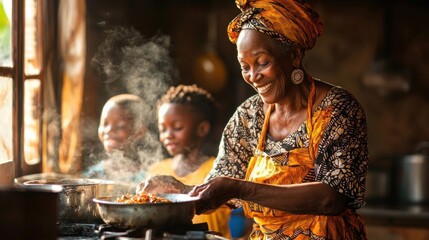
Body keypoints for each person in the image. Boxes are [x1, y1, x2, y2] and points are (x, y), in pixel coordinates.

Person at [138, 0, 369, 239]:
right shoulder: (249, 116)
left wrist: (238, 187)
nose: (253, 76)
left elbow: (331, 197)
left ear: (294, 55)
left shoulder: (336, 109)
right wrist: (181, 191)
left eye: (262, 62)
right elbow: (216, 193)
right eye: (244, 66)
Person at [144, 84, 232, 238]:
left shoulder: (218, 170)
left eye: (177, 127)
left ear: (202, 129)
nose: (168, 135)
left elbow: (248, 219)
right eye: (163, 129)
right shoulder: (156, 170)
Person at [83, 94, 155, 183]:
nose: (109, 130)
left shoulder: (149, 176)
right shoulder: (92, 175)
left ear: (139, 132)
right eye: (105, 124)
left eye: (120, 126)